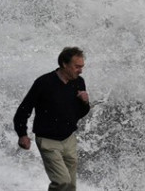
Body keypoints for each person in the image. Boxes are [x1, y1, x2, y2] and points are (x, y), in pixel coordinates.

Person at [14, 47, 91, 191]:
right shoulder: (44, 82)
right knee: (62, 182)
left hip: (69, 139)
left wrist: (85, 102)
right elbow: (24, 109)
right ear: (64, 64)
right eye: (77, 66)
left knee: (71, 185)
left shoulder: (79, 82)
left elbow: (80, 113)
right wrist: (22, 134)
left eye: (82, 67)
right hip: (48, 140)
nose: (80, 70)